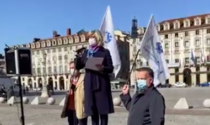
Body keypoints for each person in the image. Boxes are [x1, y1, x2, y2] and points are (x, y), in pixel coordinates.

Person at [75, 30, 114, 125]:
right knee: (93, 112)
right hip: (89, 84)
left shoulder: (105, 52)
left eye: (93, 37)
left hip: (102, 83)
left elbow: (110, 68)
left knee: (103, 112)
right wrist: (77, 57)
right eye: (89, 38)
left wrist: (103, 68)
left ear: (98, 38)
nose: (91, 39)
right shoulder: (86, 52)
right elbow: (79, 66)